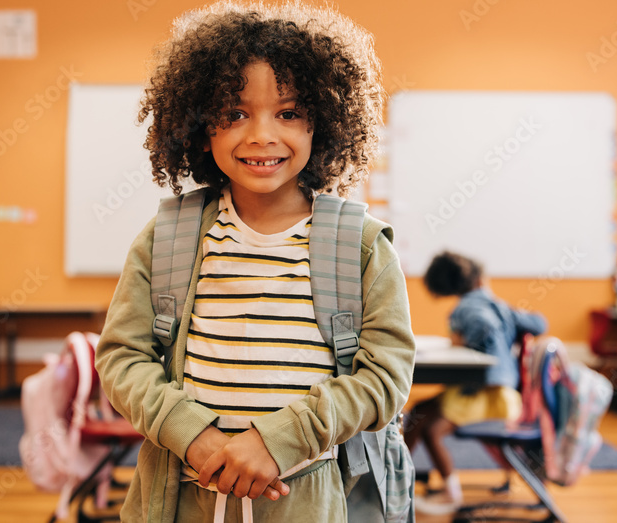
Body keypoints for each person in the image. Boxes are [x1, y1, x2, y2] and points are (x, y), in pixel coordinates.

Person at [94, 2, 416, 521]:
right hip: (181, 492)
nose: (262, 134)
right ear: (201, 128)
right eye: (235, 113)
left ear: (324, 125)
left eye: (288, 113)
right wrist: (192, 435)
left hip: (307, 498)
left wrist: (279, 441)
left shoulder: (360, 244)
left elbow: (386, 377)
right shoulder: (168, 237)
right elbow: (122, 358)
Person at [405, 251, 547, 515]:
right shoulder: (495, 304)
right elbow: (539, 323)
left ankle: (447, 494)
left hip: (486, 393)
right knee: (419, 413)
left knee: (430, 429)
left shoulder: (469, 307)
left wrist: (473, 344)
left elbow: (485, 328)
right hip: (494, 392)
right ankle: (401, 481)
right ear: (481, 280)